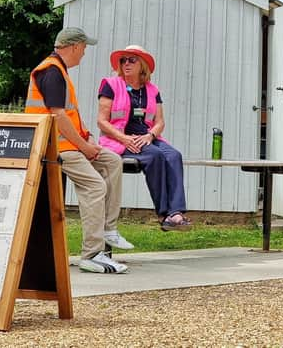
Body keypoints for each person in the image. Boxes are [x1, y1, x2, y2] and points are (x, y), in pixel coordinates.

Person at [25, 27, 133, 274]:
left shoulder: (60, 71)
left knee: (113, 160)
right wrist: (84, 146)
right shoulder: (51, 72)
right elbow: (57, 116)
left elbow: (70, 116)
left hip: (71, 143)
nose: (83, 54)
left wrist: (89, 139)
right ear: (73, 47)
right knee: (95, 186)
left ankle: (109, 229)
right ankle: (92, 254)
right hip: (55, 145)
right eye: (83, 49)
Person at [97, 45, 191, 231]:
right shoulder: (111, 84)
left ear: (143, 65)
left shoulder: (152, 90)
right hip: (120, 138)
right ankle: (164, 214)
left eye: (132, 60)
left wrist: (151, 135)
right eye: (123, 60)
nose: (126, 63)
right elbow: (101, 121)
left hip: (147, 137)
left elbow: (160, 122)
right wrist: (124, 139)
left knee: (174, 155)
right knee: (155, 155)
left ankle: (176, 212)